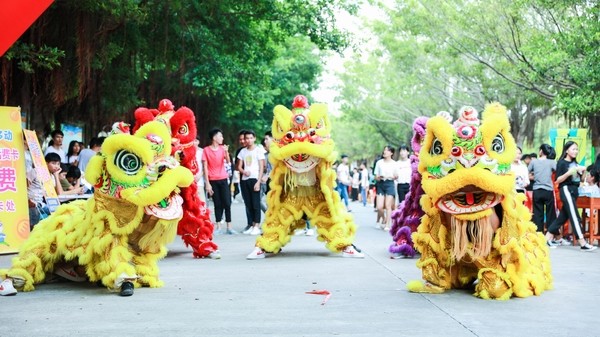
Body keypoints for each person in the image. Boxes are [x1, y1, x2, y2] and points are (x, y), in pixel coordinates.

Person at [545, 141, 596, 251]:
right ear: (567, 150)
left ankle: (547, 237)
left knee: (563, 216)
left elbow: (581, 180)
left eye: (577, 149)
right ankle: (582, 242)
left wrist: (582, 173)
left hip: (575, 191)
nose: (575, 151)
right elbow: (558, 180)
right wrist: (569, 172)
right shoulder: (562, 163)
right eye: (573, 149)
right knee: (574, 216)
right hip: (566, 189)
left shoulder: (575, 163)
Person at [202, 128, 236, 234]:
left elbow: (228, 161)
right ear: (214, 137)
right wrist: (207, 184)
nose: (222, 138)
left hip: (223, 178)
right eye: (220, 136)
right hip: (212, 180)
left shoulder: (222, 149)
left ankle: (229, 227)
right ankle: (218, 227)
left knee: (227, 202)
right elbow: (205, 168)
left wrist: (226, 152)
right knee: (217, 203)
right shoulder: (206, 150)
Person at [236, 130, 265, 235]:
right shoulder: (243, 151)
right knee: (248, 204)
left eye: (250, 138)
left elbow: (262, 167)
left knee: (256, 203)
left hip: (255, 179)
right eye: (246, 138)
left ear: (254, 138)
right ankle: (252, 225)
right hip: (245, 180)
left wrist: (258, 182)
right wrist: (244, 171)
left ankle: (257, 225)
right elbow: (239, 166)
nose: (248, 140)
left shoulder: (258, 150)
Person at [528, 144, 556, 232]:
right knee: (550, 214)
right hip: (548, 191)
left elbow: (527, 172)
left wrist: (535, 176)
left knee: (537, 214)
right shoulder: (552, 162)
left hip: (537, 190)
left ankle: (538, 234)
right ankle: (550, 235)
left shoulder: (534, 162)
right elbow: (558, 172)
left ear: (541, 151)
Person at [374, 145, 398, 231]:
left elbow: (397, 176)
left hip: (390, 184)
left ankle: (387, 224)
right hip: (381, 183)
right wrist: (378, 177)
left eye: (387, 150)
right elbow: (375, 176)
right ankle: (383, 218)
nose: (385, 152)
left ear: (391, 153)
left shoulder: (395, 164)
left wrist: (394, 176)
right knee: (379, 207)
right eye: (384, 150)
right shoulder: (379, 162)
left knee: (388, 206)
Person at [260, 132, 273, 212]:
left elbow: (278, 168)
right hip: (268, 182)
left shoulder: (277, 153)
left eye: (266, 139)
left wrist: (267, 175)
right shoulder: (265, 155)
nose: (265, 141)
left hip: (276, 182)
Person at [194, 139, 206, 203]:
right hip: (190, 180)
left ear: (198, 142)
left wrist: (200, 175)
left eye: (195, 140)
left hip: (200, 180)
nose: (193, 142)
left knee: (202, 201)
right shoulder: (187, 151)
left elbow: (205, 166)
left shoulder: (202, 152)